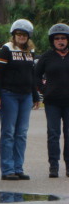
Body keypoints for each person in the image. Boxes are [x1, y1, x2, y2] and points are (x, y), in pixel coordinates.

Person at [0, 19, 40, 181]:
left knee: (22, 133)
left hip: (26, 95)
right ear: (13, 35)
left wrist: (35, 95)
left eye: (24, 34)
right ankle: (7, 169)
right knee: (8, 132)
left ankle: (18, 168)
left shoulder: (30, 51)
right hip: (8, 94)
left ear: (28, 36)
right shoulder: (7, 49)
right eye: (18, 34)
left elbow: (32, 75)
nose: (21, 37)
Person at [34, 23, 69, 178]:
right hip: (52, 102)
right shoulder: (47, 57)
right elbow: (35, 75)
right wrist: (43, 90)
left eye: (63, 38)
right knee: (53, 134)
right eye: (57, 38)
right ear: (52, 40)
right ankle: (53, 166)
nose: (60, 41)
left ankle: (68, 166)